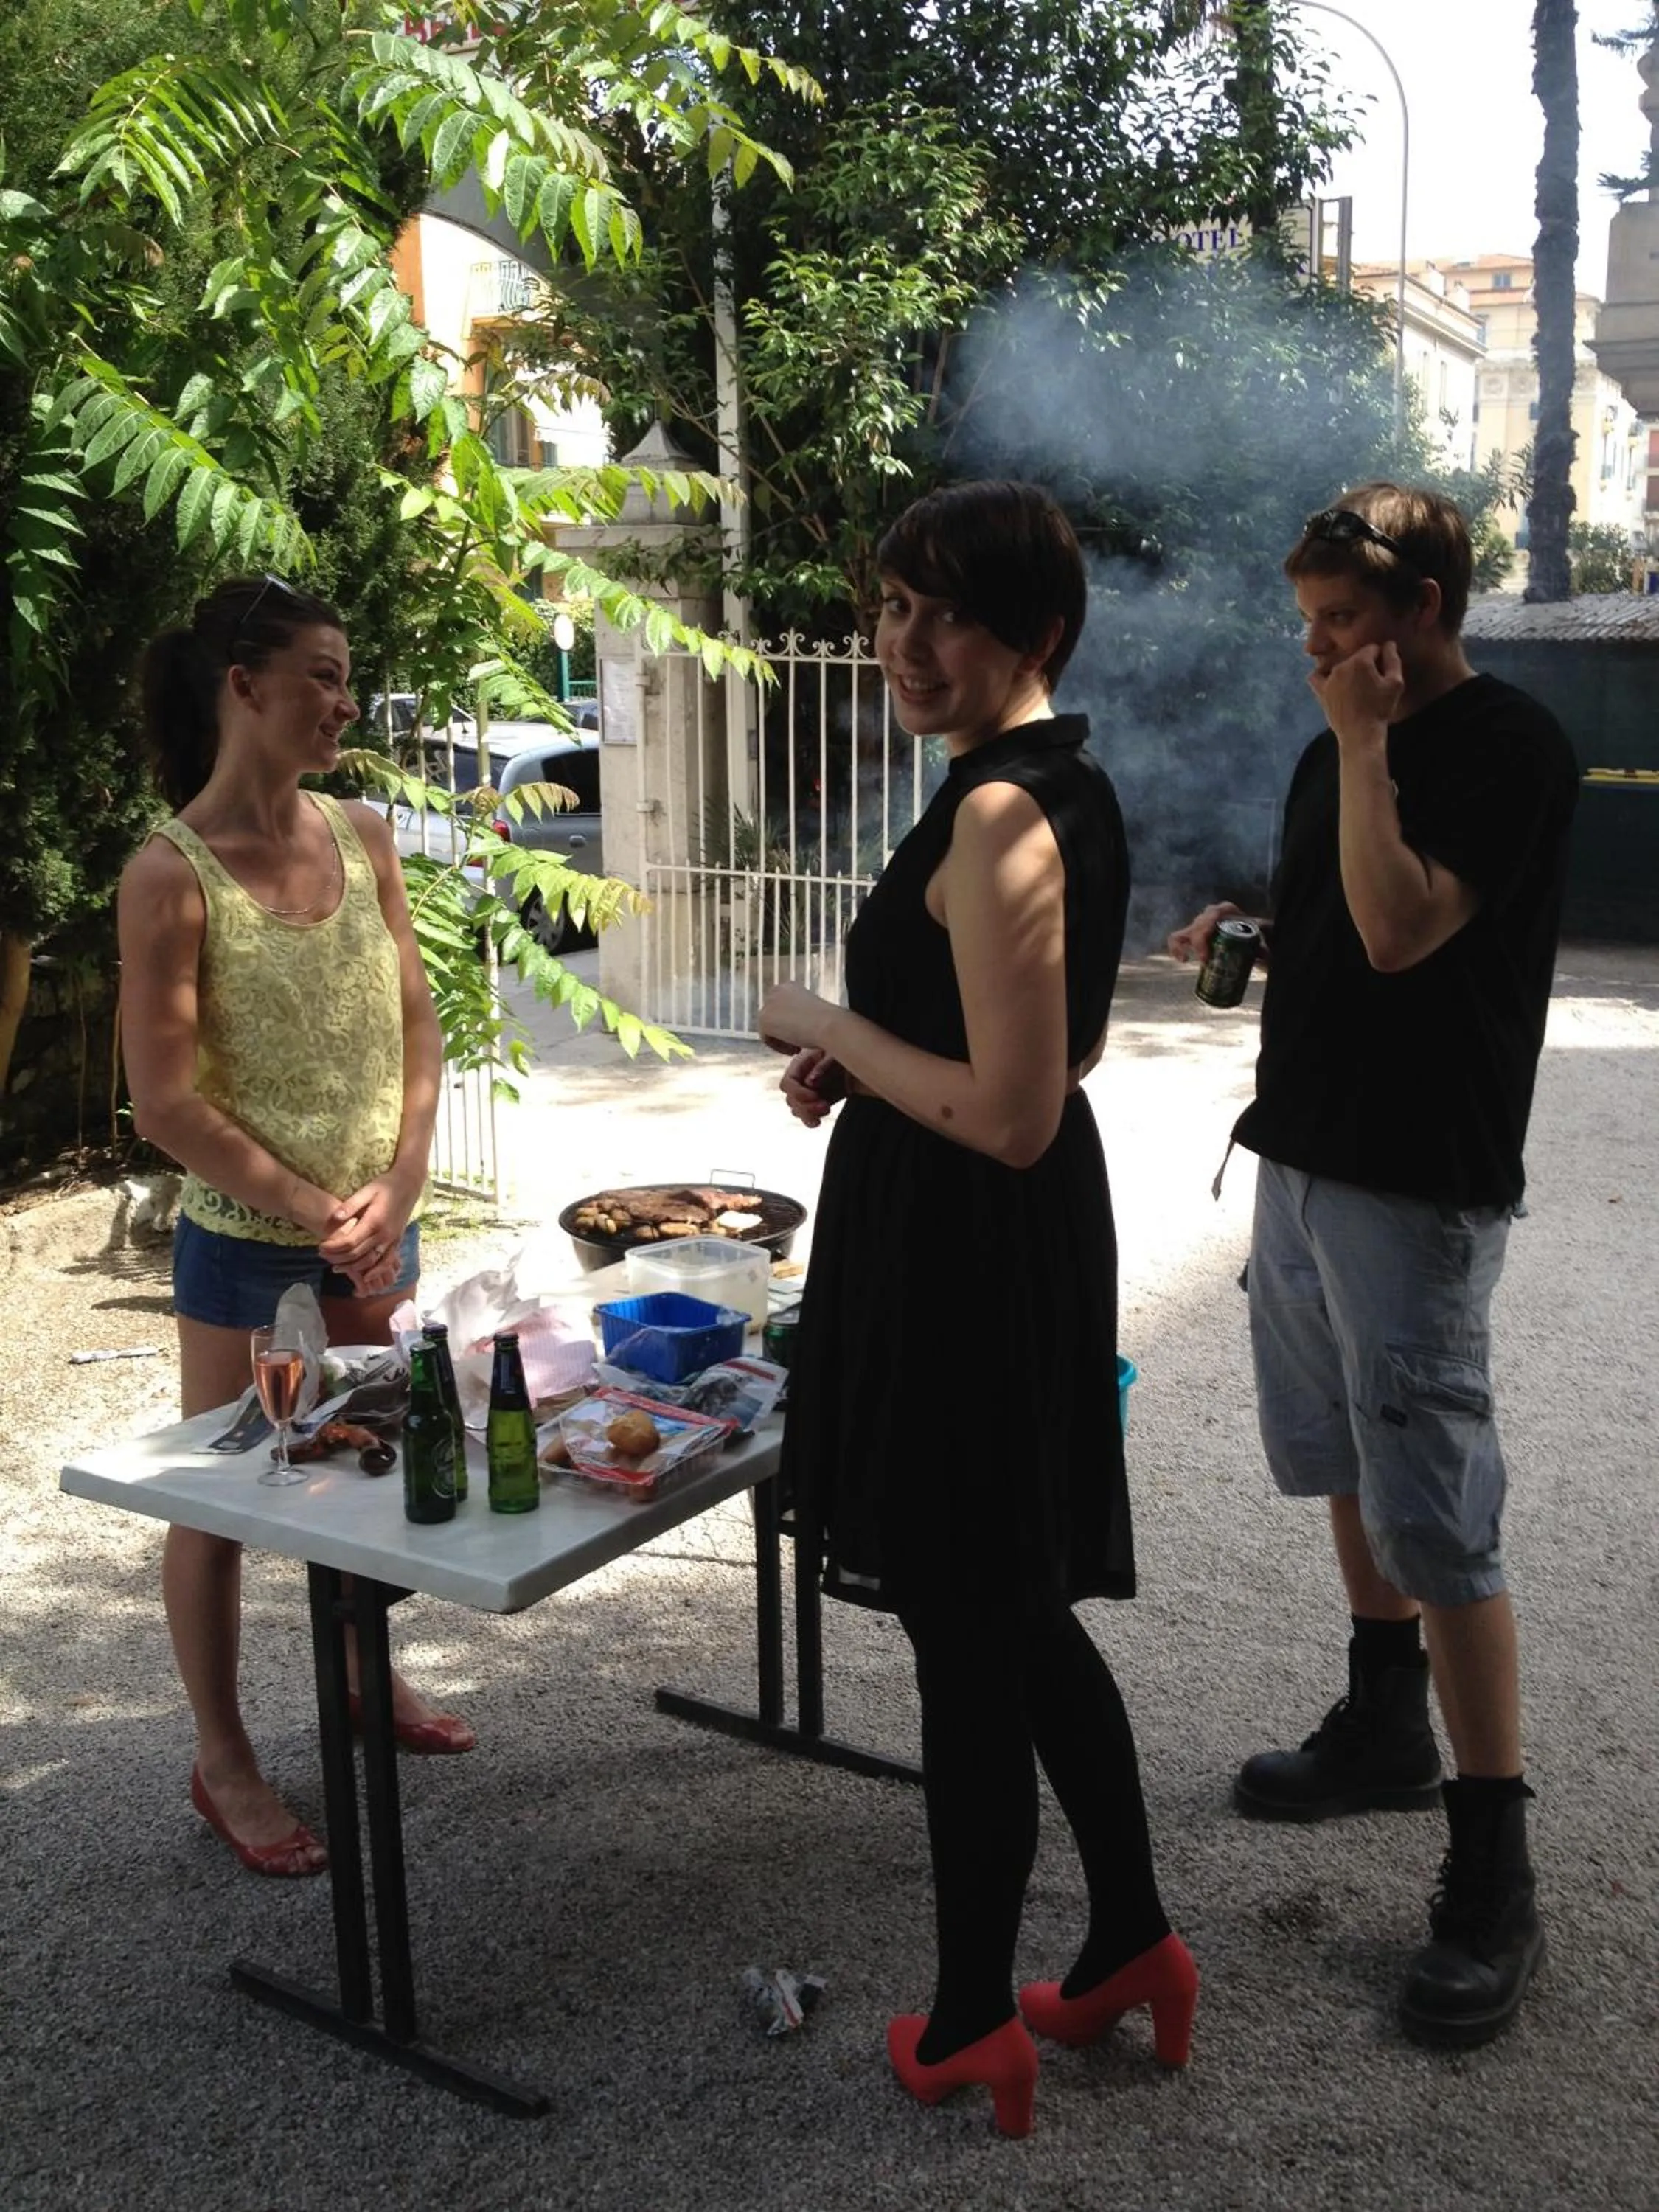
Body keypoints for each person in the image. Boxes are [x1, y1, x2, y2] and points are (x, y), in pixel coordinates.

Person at [757, 482, 1196, 2140]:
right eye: (890, 606)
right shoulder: (1049, 788)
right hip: (981, 1234)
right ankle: (1132, 1944)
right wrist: (865, 1062)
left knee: (967, 1630)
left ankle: (967, 2025)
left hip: (968, 1253)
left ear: (1039, 632)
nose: (906, 642)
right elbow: (1037, 1047)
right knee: (1012, 1604)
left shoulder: (1004, 812)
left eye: (947, 612)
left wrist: (824, 1022)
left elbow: (1017, 1107)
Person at [1169, 484, 1579, 2048]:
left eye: (1342, 620)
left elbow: (1408, 927)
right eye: (1309, 622)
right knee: (1341, 1450)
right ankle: (1383, 1729)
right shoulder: (1326, 750)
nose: (1317, 648)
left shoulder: (1508, 748)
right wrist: (1257, 942)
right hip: (1304, 1155)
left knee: (1440, 1511)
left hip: (1418, 1184)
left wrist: (1358, 746)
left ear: (1421, 611)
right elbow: (1343, 920)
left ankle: (1494, 1867)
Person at [119, 575, 475, 1881]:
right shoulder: (168, 874)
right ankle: (222, 1760)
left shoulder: (366, 834)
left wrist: (407, 1179)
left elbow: (419, 1026)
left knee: (366, 1475)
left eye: (346, 675)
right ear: (243, 685)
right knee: (218, 1505)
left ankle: (360, 1680)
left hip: (379, 1224)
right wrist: (317, 1209)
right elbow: (164, 1102)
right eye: (320, 675)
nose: (342, 700)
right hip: (253, 1242)